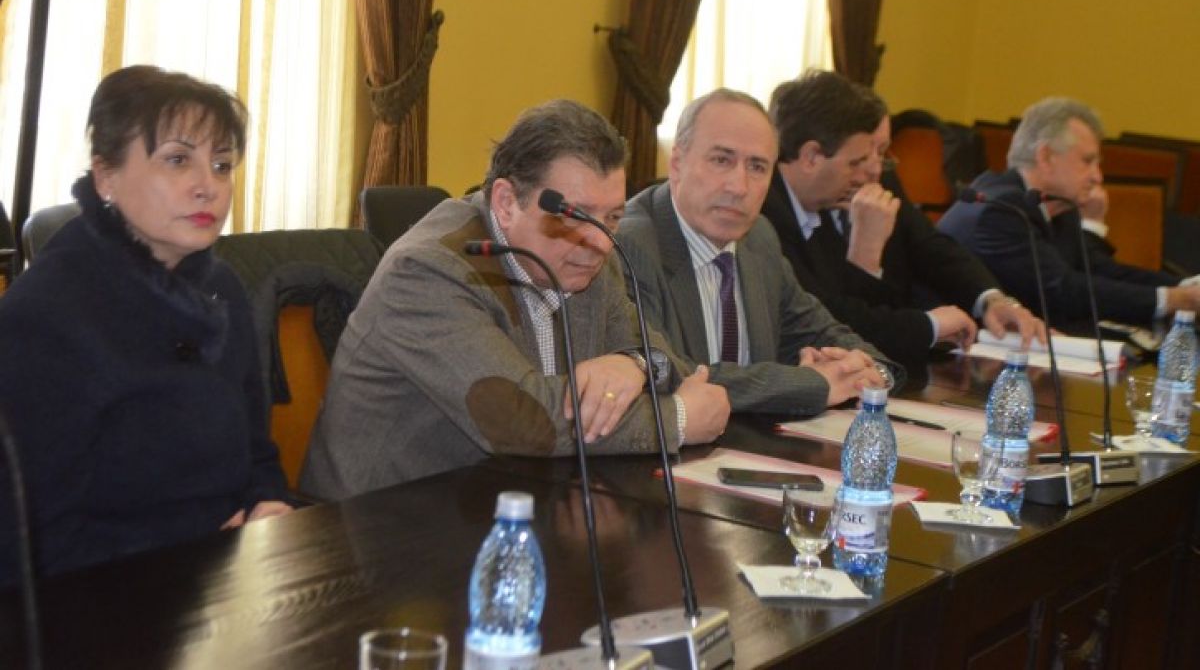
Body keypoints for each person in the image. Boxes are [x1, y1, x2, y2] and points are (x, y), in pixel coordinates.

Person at [301, 100, 730, 499]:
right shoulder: (428, 271)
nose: (599, 241)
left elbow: (665, 360)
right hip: (377, 523)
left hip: (511, 501)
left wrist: (633, 364)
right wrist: (677, 419)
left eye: (612, 217)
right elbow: (521, 419)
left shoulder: (592, 258)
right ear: (506, 203)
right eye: (574, 215)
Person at [0, 66, 291, 585]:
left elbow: (257, 452)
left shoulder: (221, 286)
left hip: (226, 579)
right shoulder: (45, 313)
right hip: (100, 600)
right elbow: (29, 539)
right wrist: (193, 553)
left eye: (222, 165)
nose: (208, 187)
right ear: (105, 177)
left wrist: (267, 503)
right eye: (178, 160)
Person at [617, 89, 902, 415]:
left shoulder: (759, 237)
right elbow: (671, 374)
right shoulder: (630, 245)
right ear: (677, 163)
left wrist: (870, 372)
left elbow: (817, 328)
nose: (739, 187)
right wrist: (815, 384)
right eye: (721, 160)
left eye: (757, 167)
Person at [759, 69, 1044, 370]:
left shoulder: (830, 191)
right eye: (857, 161)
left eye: (881, 153)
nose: (872, 171)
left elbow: (933, 249)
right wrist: (928, 325)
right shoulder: (767, 213)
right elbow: (828, 321)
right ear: (812, 157)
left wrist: (991, 300)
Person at [938, 96, 1200, 330]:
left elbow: (1099, 271)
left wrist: (1185, 285)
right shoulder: (1000, 210)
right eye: (1087, 161)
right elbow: (1062, 290)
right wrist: (1172, 299)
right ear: (1046, 157)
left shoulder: (1059, 207)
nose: (1098, 177)